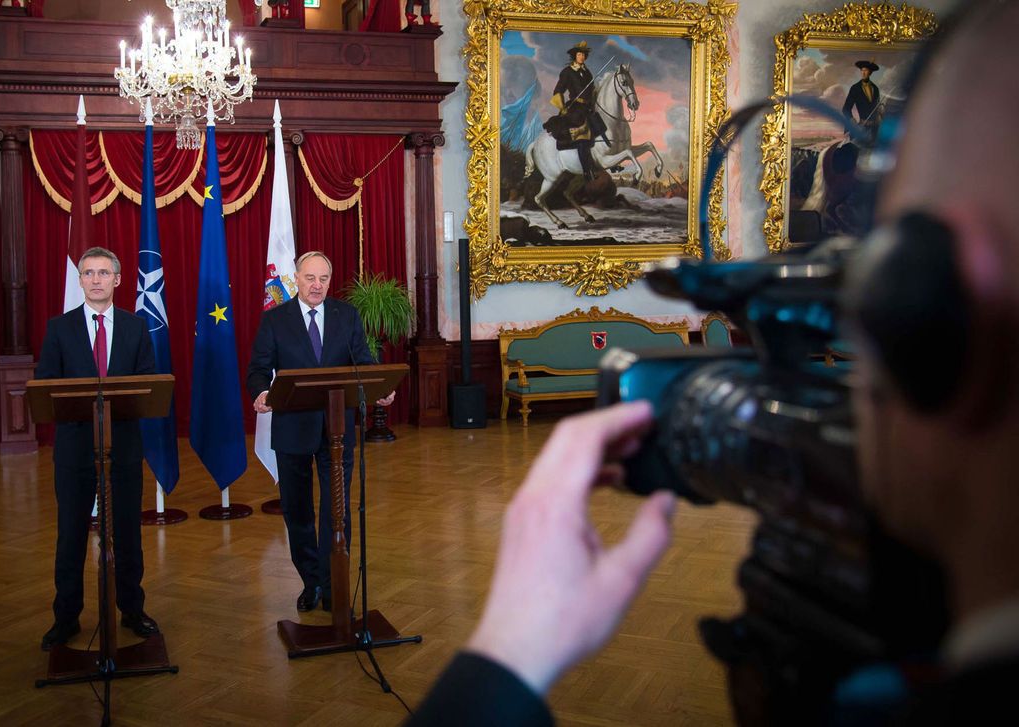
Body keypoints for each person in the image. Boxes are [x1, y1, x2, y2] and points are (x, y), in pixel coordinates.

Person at [408, 1, 1019, 723]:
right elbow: (570, 100)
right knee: (582, 132)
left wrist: (510, 653)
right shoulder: (574, 81)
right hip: (569, 122)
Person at [246, 251, 395, 613]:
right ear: (296, 278)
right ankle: (310, 582)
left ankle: (332, 586)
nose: (317, 285)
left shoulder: (347, 315)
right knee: (298, 513)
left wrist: (378, 387)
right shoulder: (275, 319)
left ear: (330, 281)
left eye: (323, 278)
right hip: (292, 430)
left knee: (336, 512)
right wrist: (261, 393)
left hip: (337, 430)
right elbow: (258, 369)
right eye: (310, 278)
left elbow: (362, 361)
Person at [35, 246, 160, 651]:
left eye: (103, 273)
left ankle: (132, 609)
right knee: (71, 534)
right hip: (74, 450)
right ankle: (66, 617)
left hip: (123, 447)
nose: (95, 280)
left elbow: (147, 383)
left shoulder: (136, 327)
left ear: (117, 280)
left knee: (127, 534)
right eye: (88, 273)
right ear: (80, 280)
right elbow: (46, 385)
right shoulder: (59, 328)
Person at [542, 41, 607, 180]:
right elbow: (558, 90)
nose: (582, 57)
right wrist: (562, 107)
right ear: (574, 56)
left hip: (588, 107)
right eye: (579, 54)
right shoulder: (567, 72)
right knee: (582, 136)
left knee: (600, 128)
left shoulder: (587, 73)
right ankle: (587, 171)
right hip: (575, 108)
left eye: (583, 55)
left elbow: (591, 91)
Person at [842, 60, 882, 144]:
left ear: (870, 72)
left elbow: (877, 106)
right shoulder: (855, 88)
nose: (863, 73)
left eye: (866, 71)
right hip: (861, 127)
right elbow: (846, 108)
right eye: (862, 71)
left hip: (874, 128)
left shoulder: (875, 88)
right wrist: (852, 120)